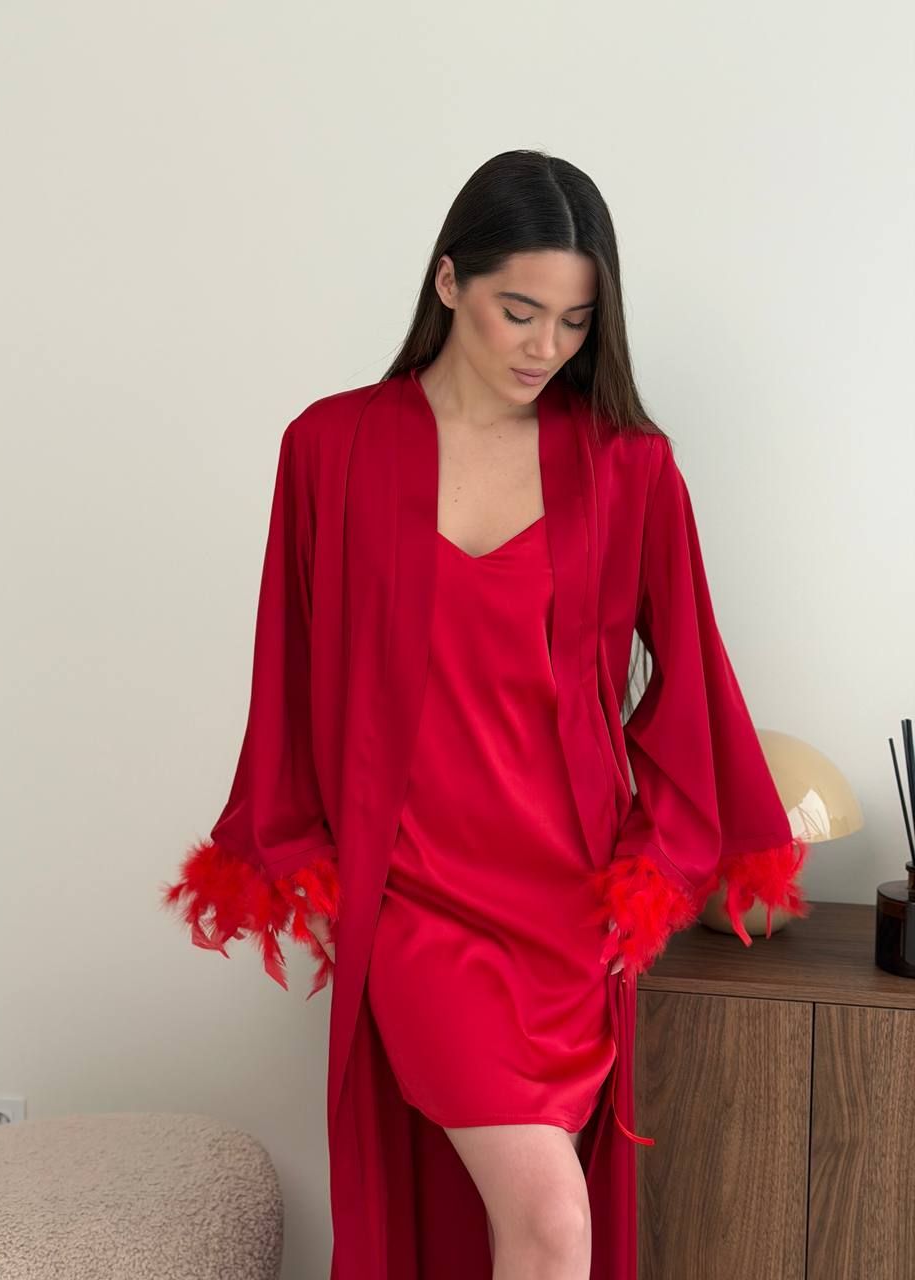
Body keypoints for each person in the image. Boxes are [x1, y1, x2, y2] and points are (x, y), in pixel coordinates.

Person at [159, 149, 810, 1280]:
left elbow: (696, 680)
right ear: (450, 279)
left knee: (531, 1224)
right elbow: (290, 670)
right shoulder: (329, 449)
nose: (545, 346)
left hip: (566, 910)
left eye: (574, 321)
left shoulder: (630, 467)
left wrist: (652, 865)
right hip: (416, 899)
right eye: (519, 310)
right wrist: (301, 853)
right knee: (553, 1220)